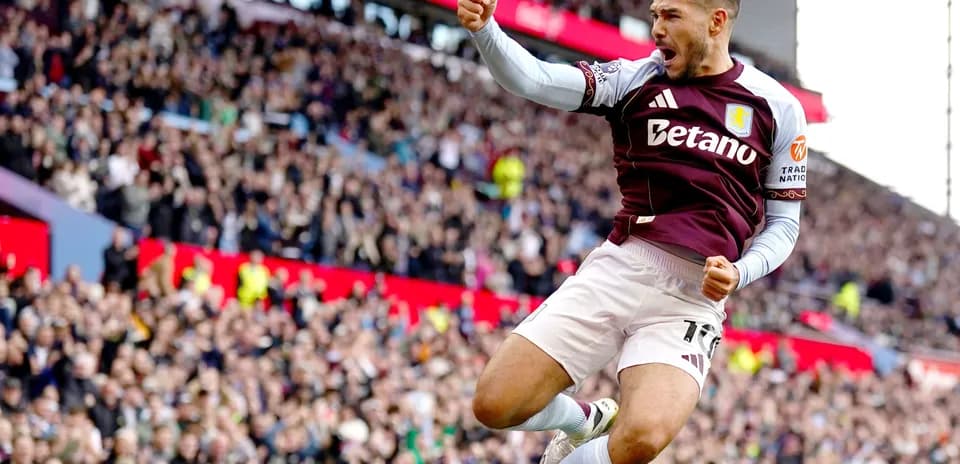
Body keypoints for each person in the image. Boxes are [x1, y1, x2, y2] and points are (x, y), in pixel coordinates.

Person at [457, 0, 808, 463]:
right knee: (494, 404)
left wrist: (741, 272)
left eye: (671, 16)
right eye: (655, 15)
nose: (656, 29)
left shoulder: (778, 107)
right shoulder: (634, 78)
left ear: (717, 21)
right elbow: (534, 78)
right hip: (621, 266)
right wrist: (486, 29)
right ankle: (584, 421)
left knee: (642, 438)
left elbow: (784, 226)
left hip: (692, 297)